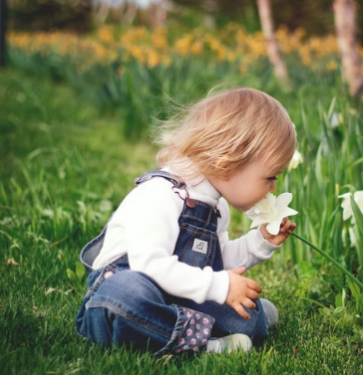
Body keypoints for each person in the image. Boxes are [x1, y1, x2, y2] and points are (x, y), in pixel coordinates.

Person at [75, 88, 297, 355]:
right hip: (125, 292)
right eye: (270, 177)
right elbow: (149, 266)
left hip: (177, 292)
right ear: (228, 162)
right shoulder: (160, 195)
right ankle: (204, 345)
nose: (272, 188)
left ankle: (224, 322)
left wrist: (260, 242)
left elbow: (218, 261)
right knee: (126, 296)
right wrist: (220, 286)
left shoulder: (216, 207)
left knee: (250, 320)